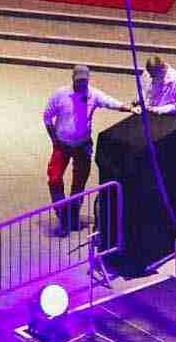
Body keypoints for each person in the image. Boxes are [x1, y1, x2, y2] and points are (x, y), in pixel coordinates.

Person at [42, 65, 134, 235]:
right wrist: (54, 139)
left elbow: (109, 102)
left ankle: (73, 215)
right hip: (62, 144)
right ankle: (63, 215)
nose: (82, 85)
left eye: (85, 81)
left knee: (79, 182)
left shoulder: (93, 94)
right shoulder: (60, 95)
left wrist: (127, 107)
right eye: (79, 81)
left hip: (83, 144)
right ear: (73, 80)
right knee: (54, 178)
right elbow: (47, 117)